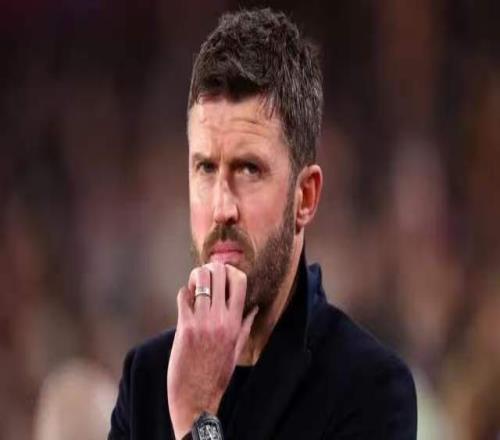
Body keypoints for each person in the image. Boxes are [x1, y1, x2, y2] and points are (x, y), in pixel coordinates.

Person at [108, 8, 417, 440]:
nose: (222, 208)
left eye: (249, 169)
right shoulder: (145, 380)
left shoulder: (370, 389)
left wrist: (198, 420)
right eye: (205, 168)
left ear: (305, 196)